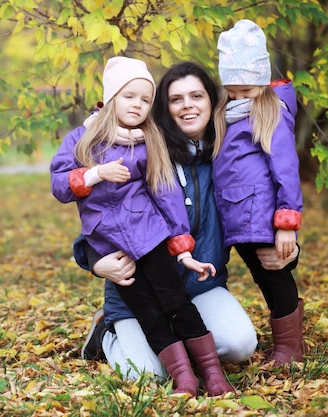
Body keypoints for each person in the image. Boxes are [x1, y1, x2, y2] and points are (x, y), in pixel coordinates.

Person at [75, 61, 299, 391]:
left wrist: (288, 251)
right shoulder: (142, 151)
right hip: (140, 292)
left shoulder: (229, 155)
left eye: (196, 96)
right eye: (176, 99)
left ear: (213, 102)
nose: (188, 105)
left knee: (240, 345)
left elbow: (256, 212)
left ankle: (187, 344)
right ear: (164, 108)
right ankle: (107, 333)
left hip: (200, 287)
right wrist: (95, 262)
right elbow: (103, 214)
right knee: (150, 375)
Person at [51, 57, 235, 397]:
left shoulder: (148, 140)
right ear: (110, 98)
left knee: (176, 302)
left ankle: (212, 374)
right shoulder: (82, 139)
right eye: (128, 96)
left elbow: (166, 195)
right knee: (149, 313)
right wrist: (94, 174)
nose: (137, 105)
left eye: (145, 99)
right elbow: (59, 186)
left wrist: (182, 251)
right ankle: (183, 377)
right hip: (111, 248)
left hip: (149, 236)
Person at [212, 19, 304, 366]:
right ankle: (287, 335)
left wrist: (286, 223)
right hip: (238, 217)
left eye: (245, 92)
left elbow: (286, 171)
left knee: (273, 272)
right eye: (231, 92)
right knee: (262, 274)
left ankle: (290, 348)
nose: (238, 99)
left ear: (262, 83)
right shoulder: (228, 112)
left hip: (263, 216)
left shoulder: (268, 112)